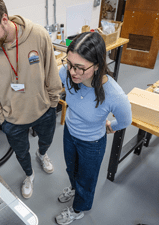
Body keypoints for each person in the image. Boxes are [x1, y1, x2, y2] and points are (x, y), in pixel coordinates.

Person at [0, 0, 62, 199]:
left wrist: (53, 103)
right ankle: (29, 174)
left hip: (44, 109)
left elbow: (51, 72)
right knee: (21, 152)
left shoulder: (37, 34)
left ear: (4, 19)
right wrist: (3, 118)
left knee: (46, 140)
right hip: (12, 120)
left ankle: (42, 155)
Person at [55, 32, 132, 224]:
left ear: (97, 65)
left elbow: (125, 120)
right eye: (70, 64)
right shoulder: (65, 73)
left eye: (80, 68)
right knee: (71, 168)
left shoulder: (114, 94)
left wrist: (111, 126)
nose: (73, 72)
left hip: (92, 143)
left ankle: (79, 208)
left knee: (86, 179)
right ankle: (73, 188)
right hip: (69, 132)